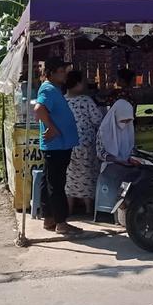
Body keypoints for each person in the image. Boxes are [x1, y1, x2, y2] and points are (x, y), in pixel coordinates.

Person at [34, 56, 81, 236]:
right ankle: (61, 222)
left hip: (57, 146)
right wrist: (52, 128)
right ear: (51, 73)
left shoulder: (53, 89)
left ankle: (49, 219)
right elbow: (39, 109)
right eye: (61, 71)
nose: (64, 75)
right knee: (57, 184)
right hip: (56, 146)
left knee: (49, 182)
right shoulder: (48, 89)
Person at [64, 70, 103, 216]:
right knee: (87, 175)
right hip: (86, 144)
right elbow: (98, 120)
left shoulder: (62, 100)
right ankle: (88, 209)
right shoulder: (86, 100)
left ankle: (69, 208)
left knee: (70, 176)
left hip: (67, 144)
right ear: (78, 83)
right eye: (83, 81)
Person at [96, 99, 135, 166]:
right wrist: (117, 160)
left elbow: (131, 147)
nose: (125, 123)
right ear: (116, 115)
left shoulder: (128, 127)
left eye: (128, 120)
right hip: (109, 169)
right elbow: (100, 153)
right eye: (122, 120)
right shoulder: (104, 129)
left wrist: (131, 158)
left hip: (127, 167)